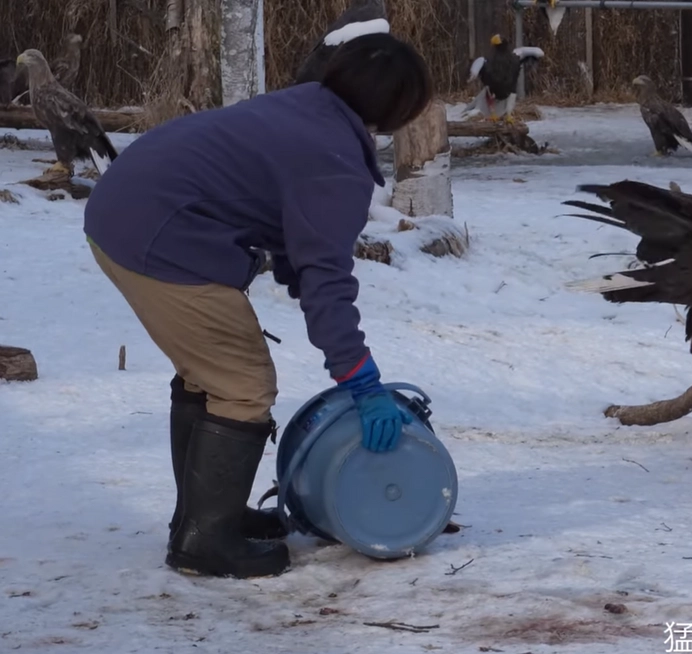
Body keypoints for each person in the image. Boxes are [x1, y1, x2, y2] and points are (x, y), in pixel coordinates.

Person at [82, 33, 433, 579]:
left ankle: (204, 515)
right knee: (241, 384)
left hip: (126, 211)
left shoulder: (302, 107)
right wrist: (361, 381)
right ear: (398, 111)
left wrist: (307, 284)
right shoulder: (334, 162)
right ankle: (204, 542)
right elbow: (326, 280)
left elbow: (291, 229)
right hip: (161, 236)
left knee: (209, 373)